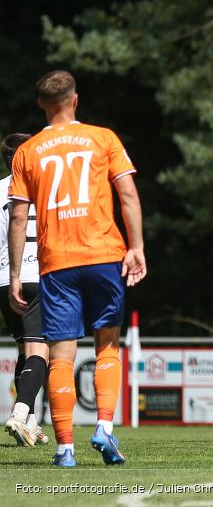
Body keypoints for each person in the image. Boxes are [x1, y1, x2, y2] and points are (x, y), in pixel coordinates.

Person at [7, 70, 147, 467]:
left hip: (56, 262)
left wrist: (17, 274)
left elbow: (19, 219)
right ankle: (104, 427)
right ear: (75, 100)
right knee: (107, 344)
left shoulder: (27, 151)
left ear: (41, 105)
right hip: (104, 254)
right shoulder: (103, 137)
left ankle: (65, 448)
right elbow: (128, 193)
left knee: (61, 355)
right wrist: (136, 247)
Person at [1, 133, 49, 447]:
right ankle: (20, 414)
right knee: (40, 352)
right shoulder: (46, 185)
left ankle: (29, 423)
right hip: (38, 274)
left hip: (5, 277)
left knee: (23, 351)